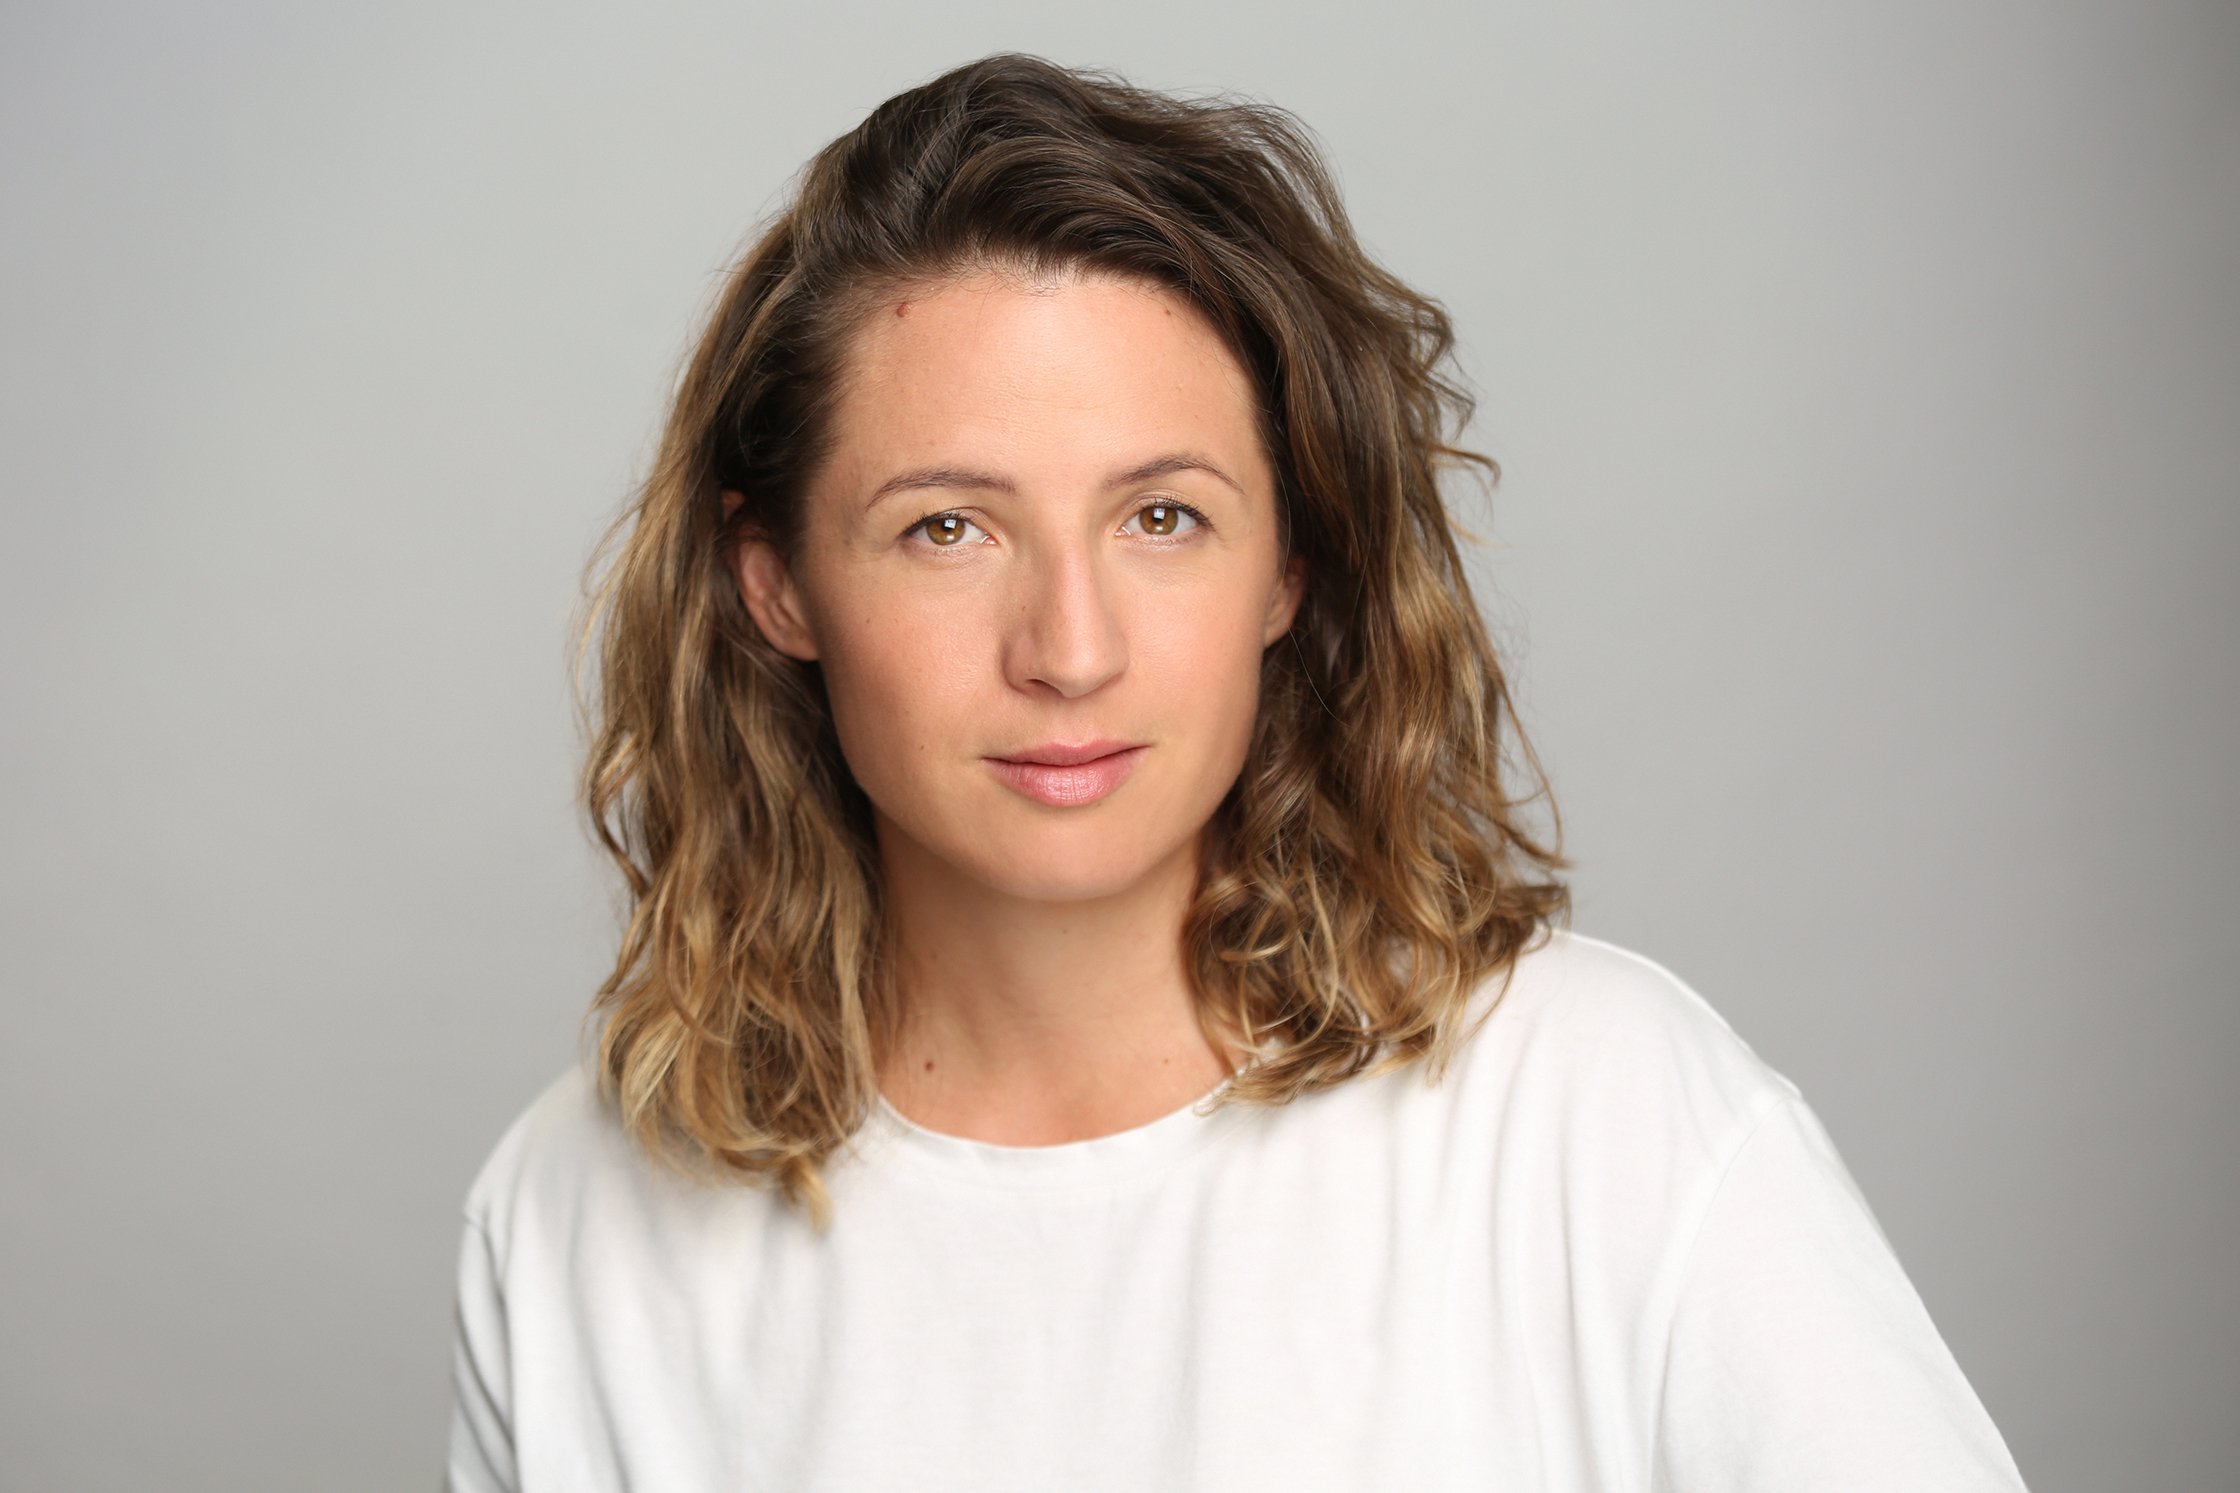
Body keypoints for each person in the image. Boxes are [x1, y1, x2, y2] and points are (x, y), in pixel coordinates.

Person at [444, 52, 2030, 1492]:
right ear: (775, 582)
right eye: (947, 527)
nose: (1070, 648)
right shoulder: (575, 1218)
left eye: (1163, 517)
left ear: (1290, 567)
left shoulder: (1600, 1123)